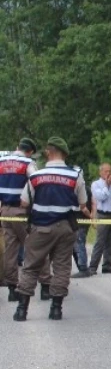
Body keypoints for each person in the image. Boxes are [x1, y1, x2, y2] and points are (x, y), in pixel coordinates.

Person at [12, 137, 87, 321]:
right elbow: (82, 202)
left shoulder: (36, 176)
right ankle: (56, 309)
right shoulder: (74, 175)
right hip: (65, 228)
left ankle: (22, 310)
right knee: (61, 267)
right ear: (64, 154)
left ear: (48, 152)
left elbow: (24, 202)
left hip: (40, 228)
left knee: (30, 267)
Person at [0, 138, 38, 301]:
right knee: (35, 247)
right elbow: (37, 183)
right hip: (21, 211)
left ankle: (11, 289)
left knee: (10, 251)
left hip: (4, 211)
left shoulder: (1, 161)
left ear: (17, 147)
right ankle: (45, 286)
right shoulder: (28, 163)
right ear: (29, 151)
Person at [72, 162, 94, 278]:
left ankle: (83, 268)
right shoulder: (87, 188)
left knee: (79, 243)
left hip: (80, 220)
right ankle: (81, 266)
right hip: (80, 220)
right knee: (75, 244)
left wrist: (90, 216)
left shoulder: (81, 189)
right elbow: (94, 203)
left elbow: (84, 207)